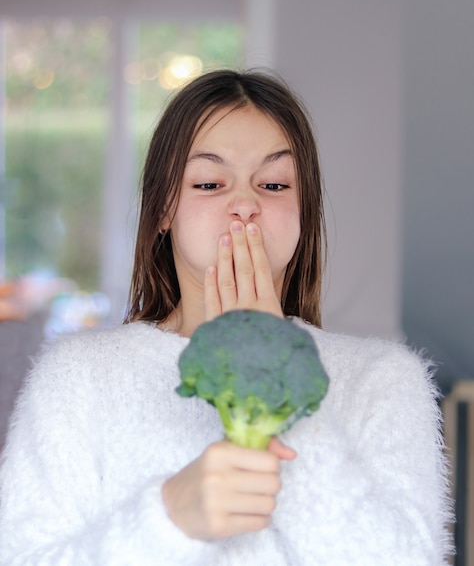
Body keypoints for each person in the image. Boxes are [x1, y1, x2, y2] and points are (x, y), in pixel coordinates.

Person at [0, 69, 452, 565]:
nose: (244, 204)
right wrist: (171, 516)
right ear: (163, 209)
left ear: (304, 212)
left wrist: (271, 372)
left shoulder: (383, 378)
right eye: (211, 182)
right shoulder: (77, 376)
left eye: (275, 184)